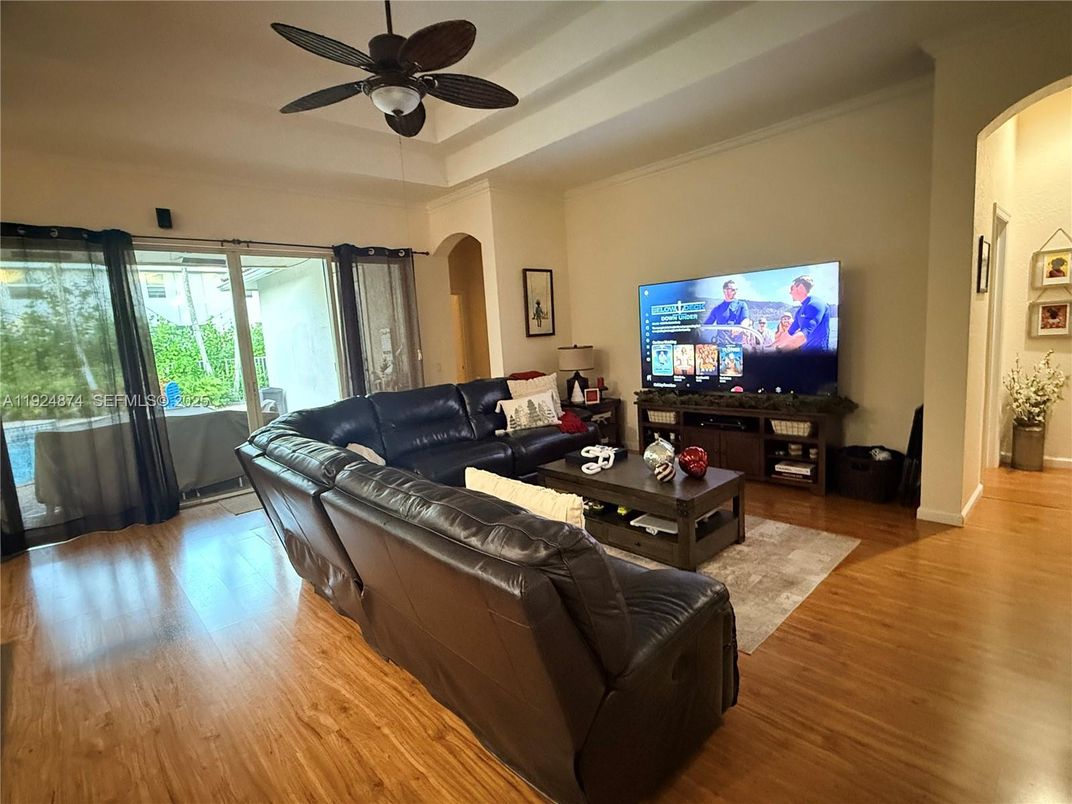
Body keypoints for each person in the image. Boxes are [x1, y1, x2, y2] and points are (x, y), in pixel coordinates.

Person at [777, 275, 830, 352]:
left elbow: (802, 336)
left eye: (792, 288)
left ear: (800, 287)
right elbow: (790, 332)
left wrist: (780, 351)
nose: (790, 292)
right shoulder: (800, 311)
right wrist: (775, 345)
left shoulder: (815, 305)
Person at [702, 279, 751, 343]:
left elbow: (745, 320)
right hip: (721, 345)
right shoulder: (717, 309)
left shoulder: (742, 305)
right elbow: (706, 325)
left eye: (736, 289)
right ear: (725, 291)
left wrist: (740, 328)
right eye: (733, 290)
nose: (735, 292)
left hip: (737, 345)